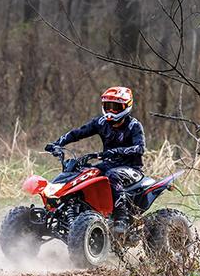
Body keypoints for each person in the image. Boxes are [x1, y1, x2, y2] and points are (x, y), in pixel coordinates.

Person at [45, 86, 145, 232]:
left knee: (112, 176)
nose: (111, 111)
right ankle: (73, 210)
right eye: (107, 106)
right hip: (109, 164)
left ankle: (121, 219)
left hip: (131, 168)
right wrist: (58, 143)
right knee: (83, 172)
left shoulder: (134, 126)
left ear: (127, 106)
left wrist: (114, 152)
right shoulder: (101, 122)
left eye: (116, 107)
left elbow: (139, 148)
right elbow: (78, 133)